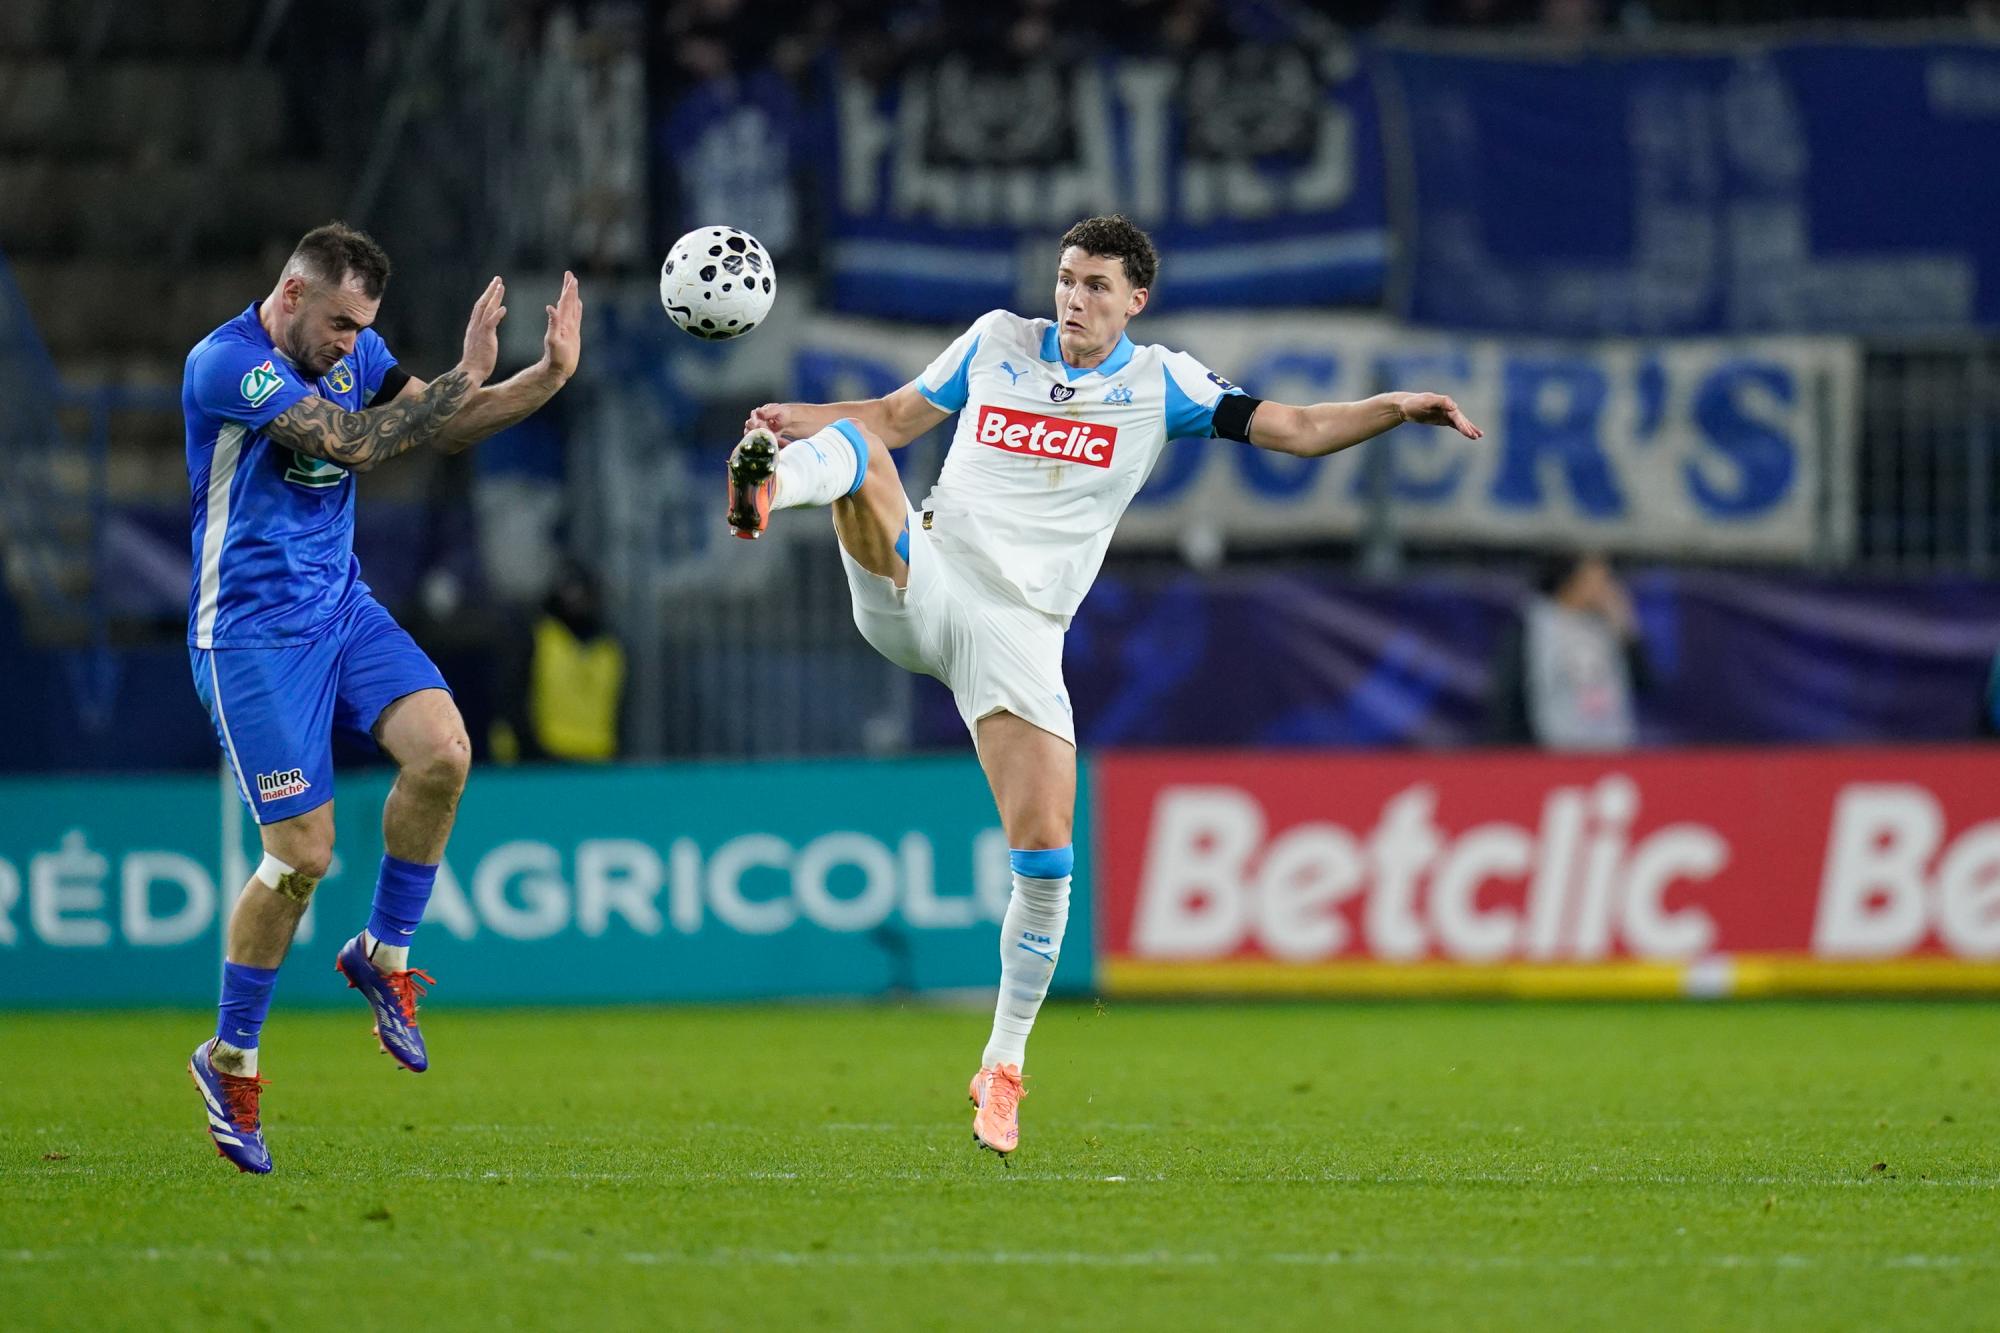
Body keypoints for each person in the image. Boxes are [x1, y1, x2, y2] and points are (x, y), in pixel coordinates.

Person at [727, 214, 1482, 1156]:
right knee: (864, 462)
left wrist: (1391, 407)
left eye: (1095, 285)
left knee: (1047, 858)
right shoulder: (995, 342)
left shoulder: (1161, 381)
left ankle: (1001, 1069)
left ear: (1136, 299)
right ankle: (770, 487)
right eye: (1066, 278)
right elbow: (889, 419)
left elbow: (1291, 427)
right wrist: (807, 427)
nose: (1073, 298)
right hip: (930, 576)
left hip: (1022, 633)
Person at [181, 222, 583, 1173]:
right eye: (338, 323)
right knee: (302, 855)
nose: (350, 343)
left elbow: (444, 422)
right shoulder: (226, 364)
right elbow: (356, 443)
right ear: (290, 293)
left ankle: (384, 954)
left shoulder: (355, 351)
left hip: (341, 610)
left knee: (446, 751)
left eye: (363, 327)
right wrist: (464, 369)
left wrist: (543, 376)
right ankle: (230, 1057)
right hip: (249, 636)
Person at [1485, 551, 1649, 750]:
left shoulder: (1608, 626)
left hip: (1610, 749)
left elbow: (1646, 684)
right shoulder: (1534, 625)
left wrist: (1626, 630)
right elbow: (1509, 693)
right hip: (1552, 749)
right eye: (1598, 579)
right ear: (1572, 581)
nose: (1607, 588)